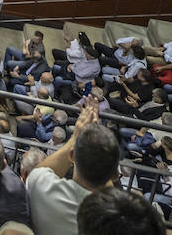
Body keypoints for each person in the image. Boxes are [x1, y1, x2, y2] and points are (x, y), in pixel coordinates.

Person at [24, 100, 117, 235]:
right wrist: (96, 134)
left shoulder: (42, 188)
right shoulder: (116, 219)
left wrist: (76, 136)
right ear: (114, 175)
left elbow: (38, 172)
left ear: (72, 156)